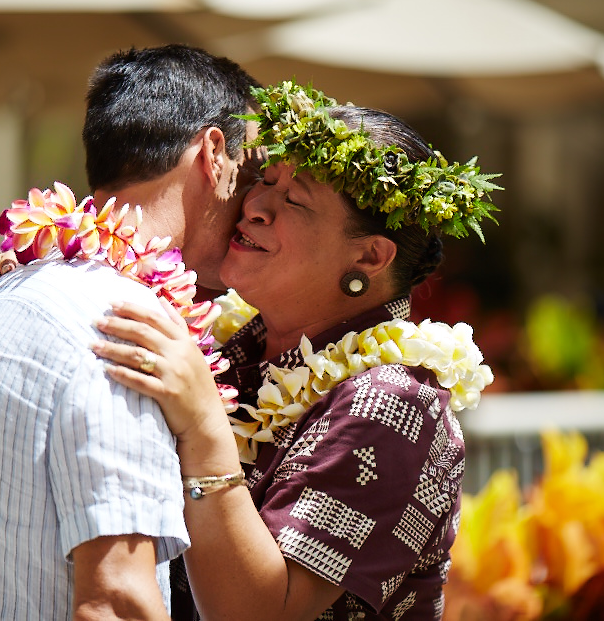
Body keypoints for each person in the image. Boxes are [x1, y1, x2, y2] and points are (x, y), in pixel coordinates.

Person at [88, 82, 499, 620]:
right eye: (266, 180)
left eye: (294, 199)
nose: (254, 204)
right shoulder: (234, 340)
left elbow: (264, 614)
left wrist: (202, 423)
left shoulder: (395, 404)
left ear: (371, 256)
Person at [0, 44, 260, 620]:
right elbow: (116, 601)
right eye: (255, 169)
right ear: (214, 153)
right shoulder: (133, 330)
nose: (257, 205)